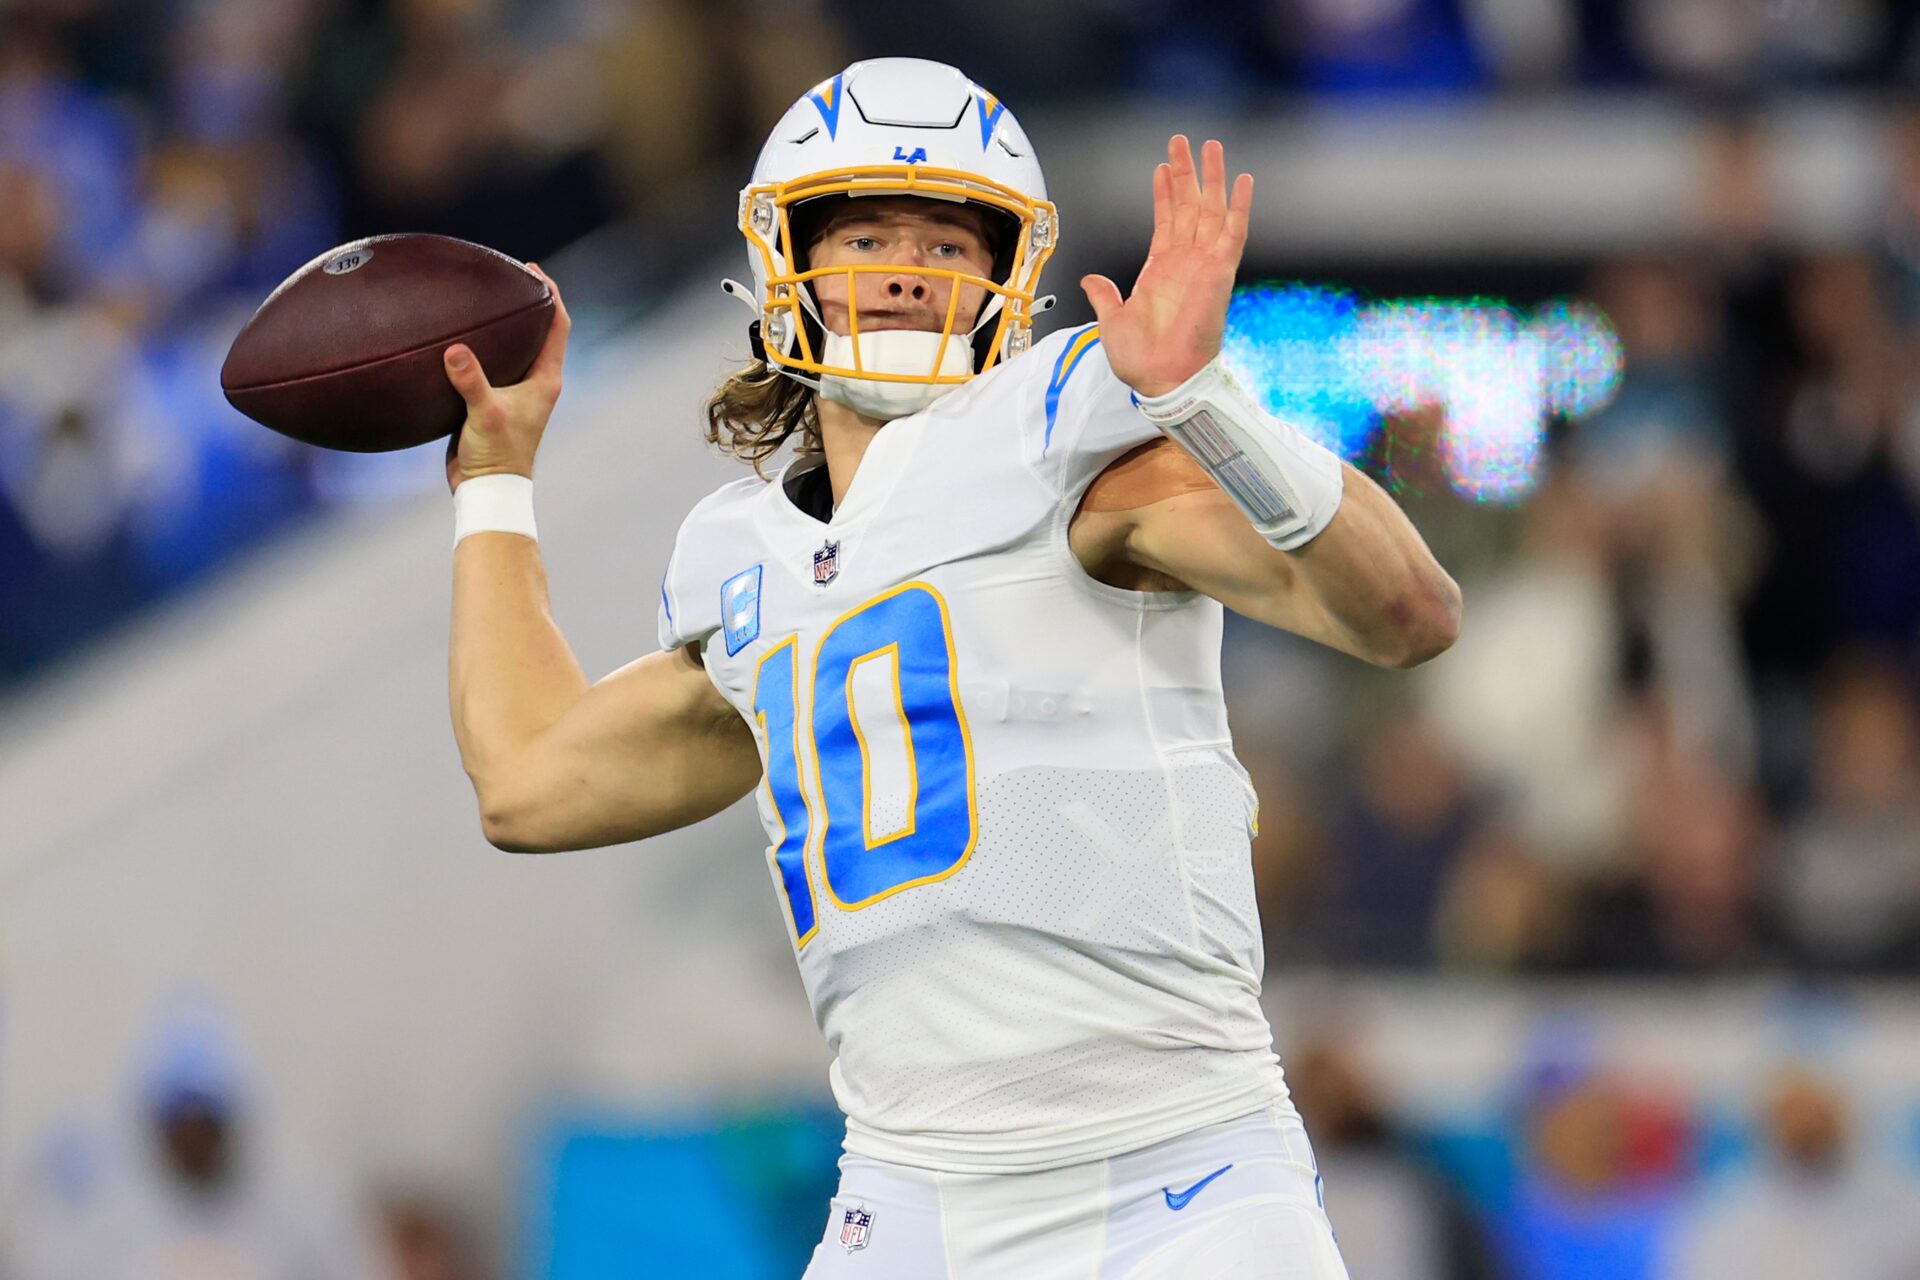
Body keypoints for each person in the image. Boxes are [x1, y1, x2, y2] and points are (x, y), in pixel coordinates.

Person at [443, 57, 1459, 1277]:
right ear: (785, 259)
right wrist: (493, 481)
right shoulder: (741, 557)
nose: (911, 265)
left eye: (948, 240)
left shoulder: (1070, 442)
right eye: (869, 230)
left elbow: (1408, 610)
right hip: (910, 1197)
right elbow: (527, 783)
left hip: (1178, 1176)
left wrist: (1203, 402)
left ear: (1007, 277)